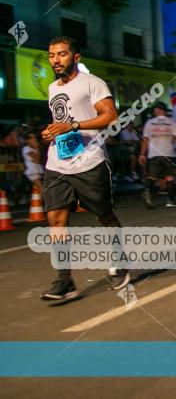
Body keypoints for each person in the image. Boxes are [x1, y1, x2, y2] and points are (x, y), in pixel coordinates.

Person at [39, 36, 129, 300]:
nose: (56, 60)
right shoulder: (52, 88)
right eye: (52, 55)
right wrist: (53, 131)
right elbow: (62, 119)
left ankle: (120, 261)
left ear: (76, 57)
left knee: (104, 216)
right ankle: (64, 279)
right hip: (58, 161)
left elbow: (111, 117)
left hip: (89, 161)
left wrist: (73, 126)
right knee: (55, 218)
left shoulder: (93, 83)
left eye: (62, 54)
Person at [139, 102, 176, 209]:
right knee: (170, 177)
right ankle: (170, 200)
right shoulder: (171, 122)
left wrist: (142, 154)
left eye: (155, 109)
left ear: (158, 110)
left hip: (154, 154)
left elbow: (145, 140)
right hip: (169, 153)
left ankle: (147, 191)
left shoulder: (149, 123)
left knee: (152, 176)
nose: (154, 111)